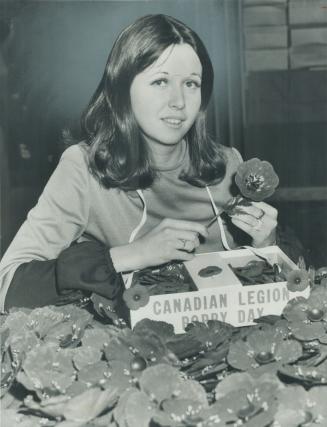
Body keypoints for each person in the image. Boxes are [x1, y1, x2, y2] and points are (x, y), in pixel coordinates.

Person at [0, 14, 278, 314]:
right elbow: (9, 285)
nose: (179, 102)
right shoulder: (84, 168)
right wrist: (134, 254)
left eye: (191, 84)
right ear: (122, 89)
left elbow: (263, 291)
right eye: (160, 81)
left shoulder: (228, 164)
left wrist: (267, 245)